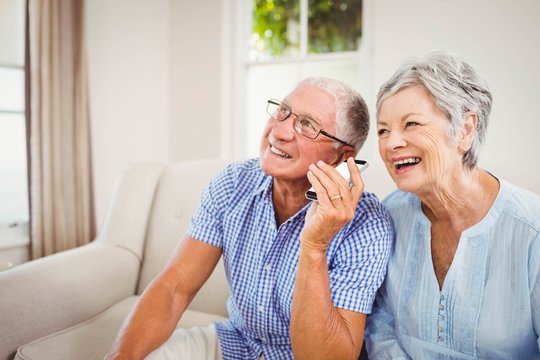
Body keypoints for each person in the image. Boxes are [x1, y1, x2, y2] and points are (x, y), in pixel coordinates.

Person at [105, 77, 393, 360]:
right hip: (236, 343)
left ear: (342, 157)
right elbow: (175, 286)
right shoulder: (233, 183)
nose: (279, 132)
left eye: (306, 125)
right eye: (283, 111)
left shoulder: (367, 224)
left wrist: (315, 245)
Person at [365, 51, 540, 359]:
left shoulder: (531, 230)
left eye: (412, 124)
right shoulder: (386, 217)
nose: (392, 144)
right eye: (383, 130)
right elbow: (380, 327)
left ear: (465, 129)